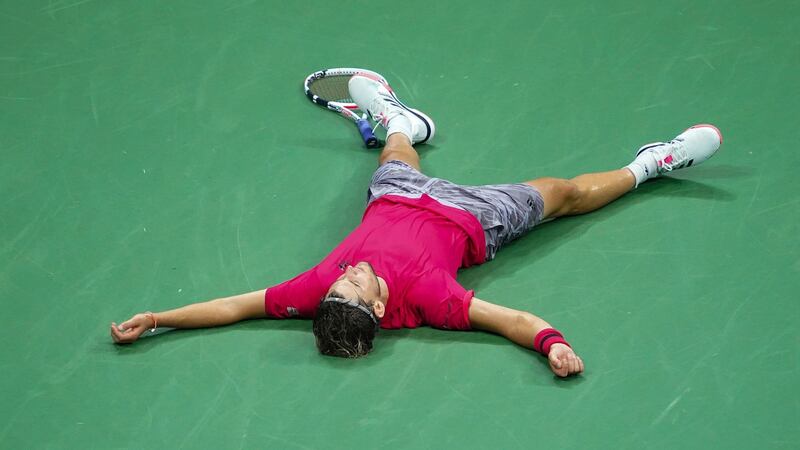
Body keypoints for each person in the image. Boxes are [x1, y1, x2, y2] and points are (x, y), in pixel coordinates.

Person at [110, 74, 722, 378]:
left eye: (338, 283)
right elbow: (510, 321)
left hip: (398, 195)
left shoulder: (316, 293)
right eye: (353, 286)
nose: (346, 273)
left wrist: (160, 318)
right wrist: (552, 344)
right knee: (561, 194)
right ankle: (653, 164)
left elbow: (234, 307)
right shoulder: (432, 300)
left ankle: (399, 122)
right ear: (378, 310)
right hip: (477, 215)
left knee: (393, 161)